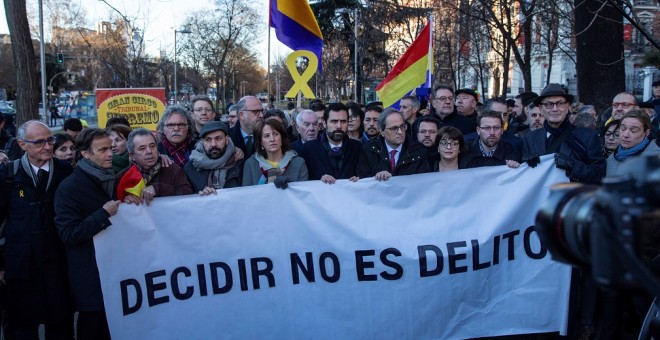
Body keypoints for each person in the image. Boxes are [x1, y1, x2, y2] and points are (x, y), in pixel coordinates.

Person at [0, 121, 74, 339]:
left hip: (58, 266)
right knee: (22, 328)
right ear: (23, 144)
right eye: (39, 142)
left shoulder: (65, 171)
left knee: (61, 327)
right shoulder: (8, 176)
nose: (48, 146)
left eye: (50, 140)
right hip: (21, 268)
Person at [55, 128, 121, 340]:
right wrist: (102, 214)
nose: (110, 154)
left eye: (110, 148)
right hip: (89, 275)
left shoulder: (114, 178)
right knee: (92, 327)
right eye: (102, 150)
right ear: (85, 154)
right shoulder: (69, 188)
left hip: (115, 271)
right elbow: (69, 234)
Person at [522, 83, 605, 184]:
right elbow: (522, 179)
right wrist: (524, 163)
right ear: (540, 108)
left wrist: (573, 166)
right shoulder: (529, 139)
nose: (555, 108)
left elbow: (600, 174)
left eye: (560, 103)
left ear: (567, 107)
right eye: (549, 104)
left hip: (573, 197)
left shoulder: (588, 136)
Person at [118, 128, 193, 204]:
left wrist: (158, 189)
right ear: (132, 155)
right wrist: (125, 200)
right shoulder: (122, 177)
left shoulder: (173, 170)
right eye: (142, 148)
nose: (149, 151)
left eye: (152, 146)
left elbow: (188, 194)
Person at [357, 108, 429, 181]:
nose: (400, 132)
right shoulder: (368, 150)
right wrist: (377, 179)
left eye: (402, 126)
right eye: (394, 128)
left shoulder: (418, 151)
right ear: (382, 131)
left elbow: (422, 183)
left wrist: (393, 179)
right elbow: (364, 182)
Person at [301, 102, 361, 183]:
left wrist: (360, 179)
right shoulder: (309, 149)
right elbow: (303, 180)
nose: (339, 126)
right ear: (325, 123)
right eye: (334, 121)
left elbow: (366, 176)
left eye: (343, 121)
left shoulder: (358, 148)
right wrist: (319, 180)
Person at [242, 119, 308, 188]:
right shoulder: (251, 164)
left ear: (282, 138)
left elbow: (303, 194)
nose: (272, 139)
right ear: (261, 142)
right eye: (267, 136)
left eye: (276, 134)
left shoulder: (299, 163)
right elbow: (247, 194)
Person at [184, 121, 243, 194]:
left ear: (227, 140)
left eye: (218, 139)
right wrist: (200, 195)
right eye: (208, 140)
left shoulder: (238, 162)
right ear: (202, 142)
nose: (213, 144)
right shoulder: (190, 168)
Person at [606, 110, 659, 176]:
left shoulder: (655, 160)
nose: (625, 135)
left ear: (646, 133)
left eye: (633, 130)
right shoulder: (611, 158)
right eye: (623, 128)